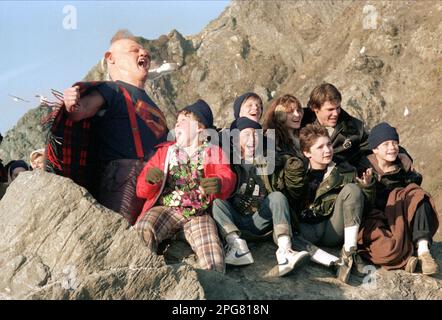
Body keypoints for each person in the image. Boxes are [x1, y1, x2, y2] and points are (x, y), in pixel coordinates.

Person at [48, 30, 168, 225]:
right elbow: (79, 111)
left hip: (157, 178)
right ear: (111, 58)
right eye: (134, 50)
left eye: (145, 51)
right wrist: (71, 104)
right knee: (122, 234)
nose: (144, 53)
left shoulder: (155, 107)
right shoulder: (111, 90)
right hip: (123, 177)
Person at [135, 100, 236, 273]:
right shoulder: (165, 152)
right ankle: (139, 276)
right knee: (143, 228)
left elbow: (227, 176)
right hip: (167, 208)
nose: (177, 124)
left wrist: (219, 182)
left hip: (199, 214)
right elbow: (141, 190)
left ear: (199, 128)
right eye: (176, 122)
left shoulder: (213, 152)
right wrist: (150, 180)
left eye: (183, 121)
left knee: (213, 255)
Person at [212, 117, 309, 277]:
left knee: (277, 197)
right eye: (247, 134)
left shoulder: (271, 160)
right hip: (235, 220)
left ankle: (285, 250)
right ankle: (236, 247)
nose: (253, 139)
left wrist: (293, 169)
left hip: (261, 219)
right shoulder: (227, 161)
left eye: (256, 134)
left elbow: (293, 188)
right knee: (217, 203)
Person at [294, 124, 374, 283]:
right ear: (307, 152)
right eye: (320, 147)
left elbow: (364, 207)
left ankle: (349, 252)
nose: (327, 150)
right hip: (305, 231)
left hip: (332, 228)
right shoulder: (296, 171)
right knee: (287, 233)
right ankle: (334, 263)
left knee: (353, 189)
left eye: (329, 144)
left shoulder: (345, 170)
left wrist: (367, 187)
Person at [357, 122, 439, 275]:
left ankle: (423, 252)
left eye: (395, 143)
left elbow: (412, 199)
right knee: (383, 245)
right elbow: (361, 205)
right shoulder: (362, 168)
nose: (392, 147)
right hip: (374, 217)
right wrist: (366, 186)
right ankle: (406, 262)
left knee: (418, 195)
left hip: (398, 215)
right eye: (386, 144)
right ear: (375, 149)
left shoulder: (403, 166)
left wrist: (412, 176)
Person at [302, 83, 369, 166]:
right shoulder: (300, 124)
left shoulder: (356, 128)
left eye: (338, 108)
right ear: (315, 108)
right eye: (330, 109)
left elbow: (369, 154)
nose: (336, 113)